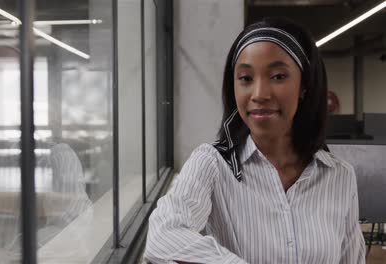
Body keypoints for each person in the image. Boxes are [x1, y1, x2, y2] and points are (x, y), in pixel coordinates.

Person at [143, 17, 365, 264]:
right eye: (246, 78)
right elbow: (163, 237)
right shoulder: (213, 164)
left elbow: (351, 259)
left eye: (278, 76)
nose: (259, 94)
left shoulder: (339, 176)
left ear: (304, 86)